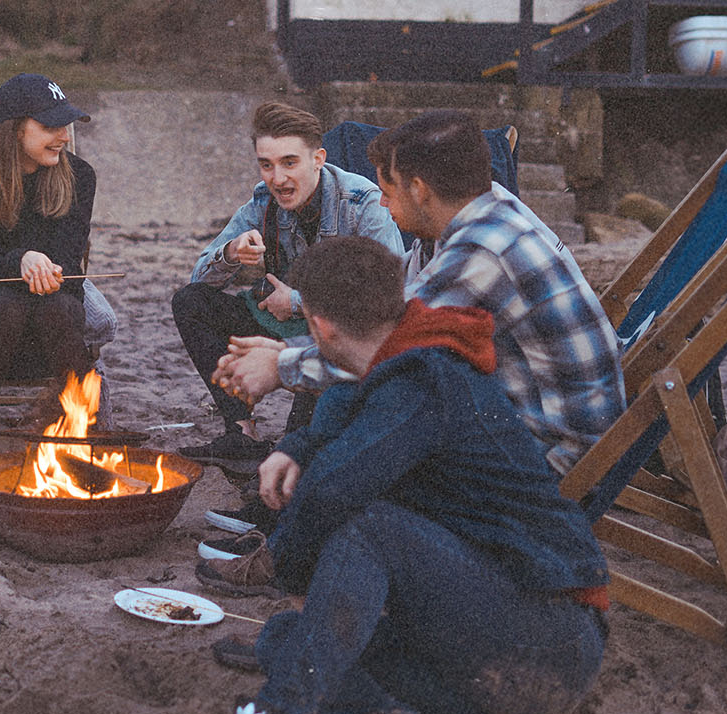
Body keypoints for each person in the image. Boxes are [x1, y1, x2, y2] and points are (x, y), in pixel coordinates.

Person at [164, 236, 610, 714]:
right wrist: (299, 447)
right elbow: (349, 402)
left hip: (545, 643)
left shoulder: (426, 379)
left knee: (369, 530)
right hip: (475, 662)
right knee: (286, 637)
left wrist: (286, 566)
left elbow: (331, 493)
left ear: (319, 326)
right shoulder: (405, 357)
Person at [213, 110, 625, 480]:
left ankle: (285, 538)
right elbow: (391, 310)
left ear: (419, 190)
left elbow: (390, 346)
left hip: (554, 450)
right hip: (517, 413)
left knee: (371, 419)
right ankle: (284, 524)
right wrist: (284, 348)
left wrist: (280, 366)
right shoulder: (473, 214)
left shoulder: (483, 249)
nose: (384, 206)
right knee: (350, 403)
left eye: (387, 194)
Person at [171, 102, 403, 474]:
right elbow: (200, 275)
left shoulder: (362, 202)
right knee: (191, 302)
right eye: (266, 165)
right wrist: (232, 252)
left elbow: (390, 294)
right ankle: (241, 432)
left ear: (318, 159)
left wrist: (296, 301)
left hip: (336, 335)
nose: (277, 178)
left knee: (297, 451)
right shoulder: (263, 202)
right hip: (279, 324)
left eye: (289, 162)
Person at [0, 74, 97, 466]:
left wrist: (43, 267)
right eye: (50, 127)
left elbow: (68, 254)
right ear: (15, 130)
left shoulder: (80, 177)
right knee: (12, 301)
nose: (63, 136)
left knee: (52, 306)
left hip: (56, 303)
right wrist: (21, 260)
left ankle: (82, 430)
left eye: (65, 125)